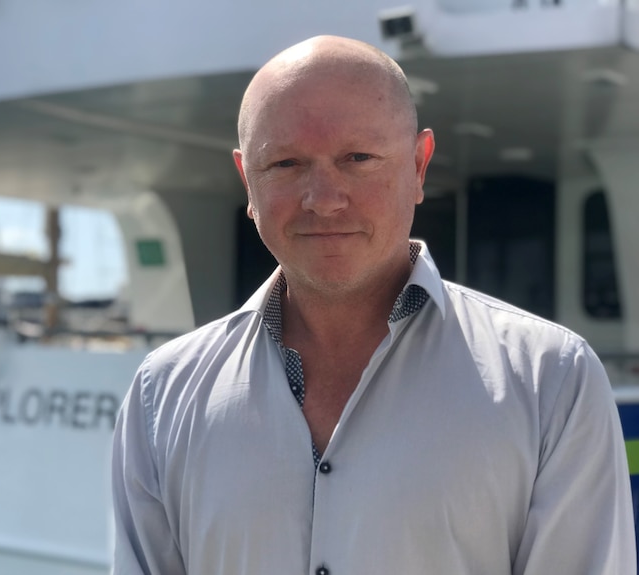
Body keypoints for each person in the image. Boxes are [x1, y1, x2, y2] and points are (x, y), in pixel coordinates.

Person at [110, 35, 636, 575]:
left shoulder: (552, 382)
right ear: (248, 181)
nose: (324, 198)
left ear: (418, 165)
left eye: (357, 158)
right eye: (286, 164)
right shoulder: (161, 396)